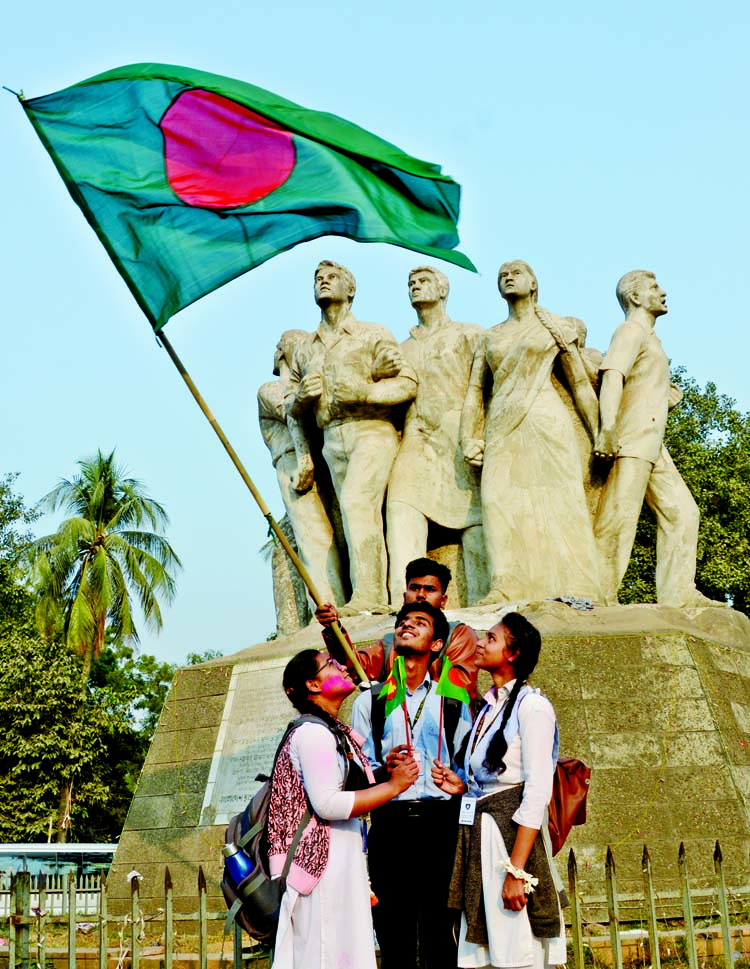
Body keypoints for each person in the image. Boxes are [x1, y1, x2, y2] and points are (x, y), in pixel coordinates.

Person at [267, 648, 419, 969]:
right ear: (313, 685)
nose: (342, 666)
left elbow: (344, 786)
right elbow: (328, 803)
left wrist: (381, 775)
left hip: (339, 868)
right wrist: (394, 787)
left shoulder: (331, 731)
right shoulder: (313, 735)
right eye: (331, 664)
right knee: (325, 957)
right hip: (321, 872)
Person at [460, 260, 602, 604]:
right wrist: (468, 436)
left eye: (516, 273)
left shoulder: (554, 328)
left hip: (545, 419)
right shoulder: (490, 337)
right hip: (501, 425)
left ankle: (577, 586)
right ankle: (505, 584)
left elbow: (580, 384)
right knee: (497, 501)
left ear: (534, 283)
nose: (508, 277)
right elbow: (475, 391)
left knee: (561, 501)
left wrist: (601, 433)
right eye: (502, 275)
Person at [433, 612, 565, 969]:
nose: (479, 642)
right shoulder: (489, 707)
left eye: (490, 638)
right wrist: (460, 784)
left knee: (518, 947)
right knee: (491, 950)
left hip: (508, 841)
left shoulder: (533, 707)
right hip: (483, 833)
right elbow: (490, 777)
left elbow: (536, 791)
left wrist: (516, 872)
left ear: (513, 653)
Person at [287, 260, 418, 615]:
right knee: (350, 516)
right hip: (332, 438)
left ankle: (370, 597)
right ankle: (364, 593)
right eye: (318, 279)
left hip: (371, 430)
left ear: (350, 289)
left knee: (358, 504)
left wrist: (364, 392)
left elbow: (407, 384)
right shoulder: (305, 348)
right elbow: (290, 408)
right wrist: (301, 398)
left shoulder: (373, 334)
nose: (323, 283)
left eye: (331, 278)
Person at [350, 601, 472, 969]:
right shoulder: (370, 700)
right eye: (403, 622)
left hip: (441, 823)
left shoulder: (453, 700)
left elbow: (468, 765)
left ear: (436, 644)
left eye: (420, 623)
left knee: (441, 929)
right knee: (393, 929)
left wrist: (459, 785)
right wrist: (382, 770)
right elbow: (359, 770)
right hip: (391, 823)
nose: (408, 626)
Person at [593, 270, 724, 608]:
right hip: (630, 440)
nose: (663, 292)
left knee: (683, 512)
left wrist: (664, 397)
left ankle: (678, 594)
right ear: (635, 297)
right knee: (618, 521)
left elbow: (638, 386)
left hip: (653, 443)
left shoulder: (651, 339)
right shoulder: (630, 331)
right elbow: (612, 376)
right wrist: (607, 429)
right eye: (654, 287)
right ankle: (598, 596)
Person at [386, 266, 487, 604]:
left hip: (459, 437)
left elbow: (488, 386)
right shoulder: (400, 349)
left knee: (477, 521)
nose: (415, 285)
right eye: (410, 282)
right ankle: (403, 607)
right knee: (400, 507)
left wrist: (481, 435)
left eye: (424, 281)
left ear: (443, 290)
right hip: (417, 440)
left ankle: (487, 605)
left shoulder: (469, 335)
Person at [258, 330, 345, 607]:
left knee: (336, 536)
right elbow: (292, 414)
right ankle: (327, 607)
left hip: (321, 460)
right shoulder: (270, 389)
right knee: (313, 537)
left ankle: (344, 603)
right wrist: (305, 459)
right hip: (293, 464)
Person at [316, 557, 479, 696]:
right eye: (414, 588)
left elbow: (458, 688)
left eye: (429, 589)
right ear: (404, 596)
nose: (421, 595)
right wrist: (333, 627)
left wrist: (387, 691)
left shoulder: (458, 635)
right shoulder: (391, 642)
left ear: (443, 600)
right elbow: (353, 667)